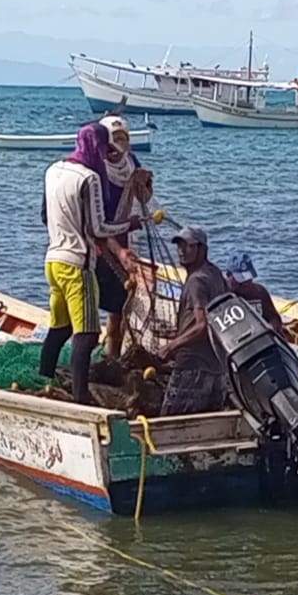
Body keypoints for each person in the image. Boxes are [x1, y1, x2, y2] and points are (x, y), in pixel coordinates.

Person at [38, 122, 141, 405]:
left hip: (53, 262)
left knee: (60, 327)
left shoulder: (53, 171)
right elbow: (99, 228)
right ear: (96, 146)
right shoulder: (89, 178)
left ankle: (44, 375)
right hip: (78, 265)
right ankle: (81, 398)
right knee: (88, 334)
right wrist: (129, 224)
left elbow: (44, 215)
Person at [93, 115, 154, 358]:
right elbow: (93, 221)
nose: (116, 151)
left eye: (122, 142)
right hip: (99, 241)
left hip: (125, 238)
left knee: (120, 304)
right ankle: (94, 349)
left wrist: (146, 183)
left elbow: (144, 198)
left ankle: (113, 355)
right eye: (112, 144)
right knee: (97, 298)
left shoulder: (131, 162)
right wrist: (114, 248)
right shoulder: (95, 169)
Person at [159, 226, 228, 415]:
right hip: (217, 368)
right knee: (207, 425)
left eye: (188, 246)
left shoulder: (196, 281)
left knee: (170, 422)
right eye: (179, 246)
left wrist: (171, 346)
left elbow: (201, 325)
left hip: (192, 366)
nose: (181, 251)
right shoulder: (215, 274)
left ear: (202, 249)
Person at [223, 252, 286, 338]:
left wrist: (271, 328)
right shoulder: (221, 295)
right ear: (228, 275)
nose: (245, 283)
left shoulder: (259, 292)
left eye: (248, 278)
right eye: (240, 279)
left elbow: (273, 317)